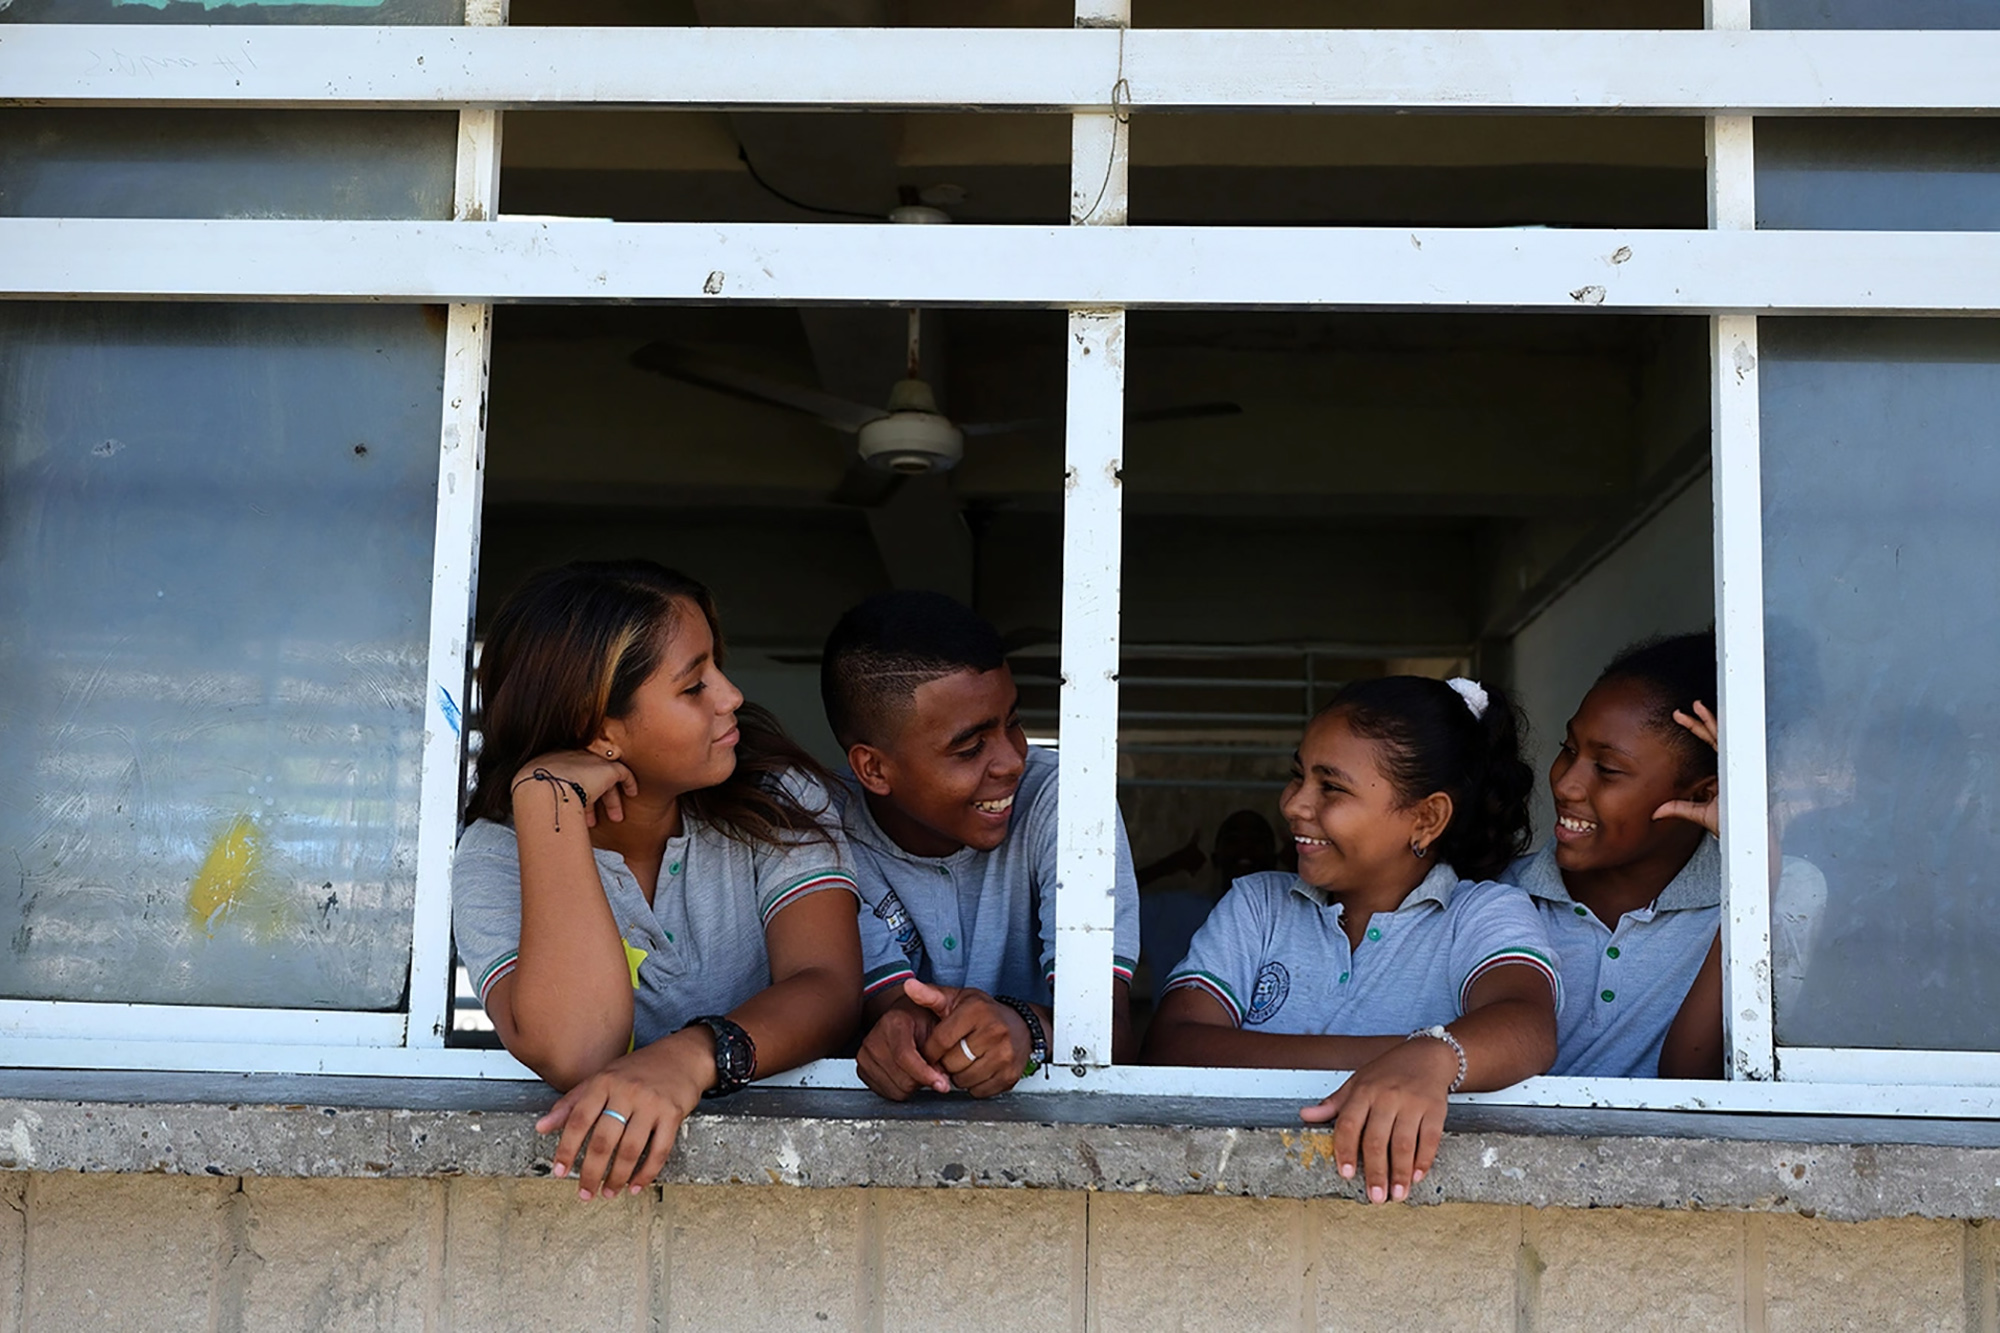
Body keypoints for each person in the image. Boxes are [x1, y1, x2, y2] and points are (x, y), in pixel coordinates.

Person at [452, 560, 865, 1200]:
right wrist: (547, 805)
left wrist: (689, 1058)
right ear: (600, 731)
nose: (731, 696)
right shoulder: (496, 856)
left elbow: (830, 988)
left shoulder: (773, 795)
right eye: (694, 685)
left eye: (716, 667)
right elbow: (578, 1051)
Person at [1144, 676, 1559, 1205]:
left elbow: (1527, 1027)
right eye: (1297, 776)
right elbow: (1173, 1046)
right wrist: (1414, 1056)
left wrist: (1429, 1061)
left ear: (1427, 818)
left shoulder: (1480, 914)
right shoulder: (1258, 905)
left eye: (1331, 787)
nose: (1294, 804)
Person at [820, 590, 1142, 1100]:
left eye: (1013, 722)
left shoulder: (1067, 800)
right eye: (970, 748)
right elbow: (892, 1013)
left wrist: (1022, 1030)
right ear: (874, 769)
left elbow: (1113, 1035)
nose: (1013, 760)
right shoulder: (819, 828)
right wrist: (902, 1034)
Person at [1515, 631, 1824, 1079]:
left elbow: (1692, 1084)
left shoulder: (1781, 891)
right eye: (1568, 750)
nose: (1566, 784)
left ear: (1706, 793)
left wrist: (1754, 873)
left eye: (1608, 769)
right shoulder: (1502, 895)